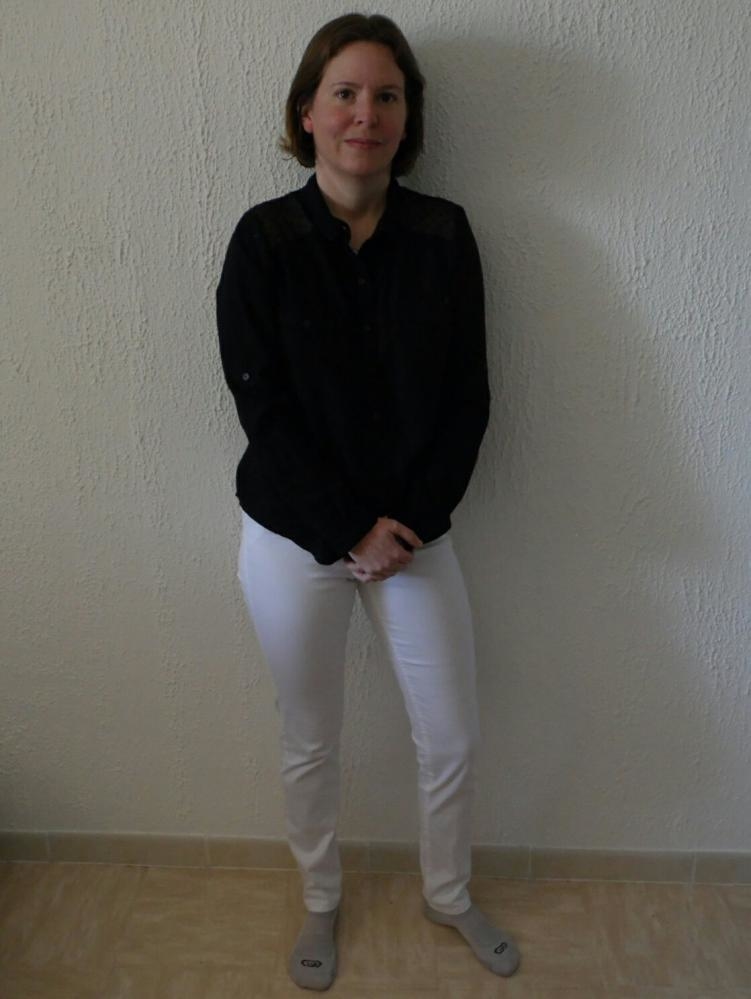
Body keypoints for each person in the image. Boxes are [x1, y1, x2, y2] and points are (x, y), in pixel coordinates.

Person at [216, 12, 520, 991]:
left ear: (407, 117)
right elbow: (260, 402)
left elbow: (469, 398)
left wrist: (405, 526)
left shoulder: (443, 234)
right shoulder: (263, 239)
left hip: (413, 535)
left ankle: (447, 891)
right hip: (291, 531)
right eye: (343, 93)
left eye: (386, 96)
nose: (365, 114)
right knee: (310, 735)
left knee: (453, 733)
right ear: (306, 112)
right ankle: (320, 897)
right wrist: (346, 525)